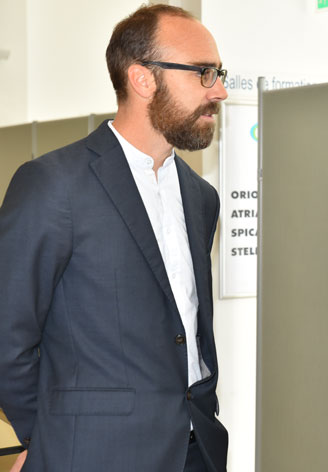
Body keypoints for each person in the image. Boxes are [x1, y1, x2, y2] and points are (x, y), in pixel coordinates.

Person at [0, 5, 228, 471]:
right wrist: (46, 437)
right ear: (143, 79)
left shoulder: (200, 197)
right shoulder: (53, 185)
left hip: (195, 450)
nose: (219, 91)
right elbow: (8, 334)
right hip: (93, 453)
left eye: (219, 73)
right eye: (204, 74)